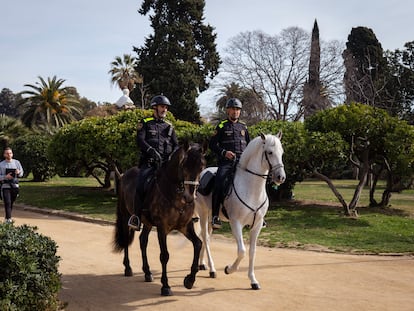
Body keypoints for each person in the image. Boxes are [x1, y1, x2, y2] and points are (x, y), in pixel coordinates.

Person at [128, 95, 179, 230]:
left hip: (165, 166)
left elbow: (176, 145)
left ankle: (183, 214)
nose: (164, 110)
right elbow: (140, 140)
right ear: (155, 107)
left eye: (166, 107)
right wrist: (151, 150)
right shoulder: (145, 122)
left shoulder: (169, 126)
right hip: (149, 163)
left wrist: (172, 156)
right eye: (162, 107)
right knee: (140, 185)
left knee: (182, 183)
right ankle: (136, 217)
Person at [209, 98, 250, 229]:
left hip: (242, 164)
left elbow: (249, 146)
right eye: (233, 109)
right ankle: (215, 216)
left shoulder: (243, 127)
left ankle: (257, 215)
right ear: (227, 110)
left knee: (258, 181)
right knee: (219, 182)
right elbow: (212, 145)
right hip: (226, 163)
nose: (235, 112)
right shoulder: (221, 126)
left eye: (237, 109)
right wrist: (224, 152)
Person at [0, 147, 24, 224]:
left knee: (11, 202)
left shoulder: (17, 163)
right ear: (4, 154)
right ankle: (8, 219)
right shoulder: (1, 164)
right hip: (5, 185)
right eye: (7, 153)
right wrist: (5, 177)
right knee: (7, 202)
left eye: (10, 153)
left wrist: (18, 172)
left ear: (12, 154)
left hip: (15, 186)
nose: (9, 155)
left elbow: (21, 174)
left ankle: (8, 216)